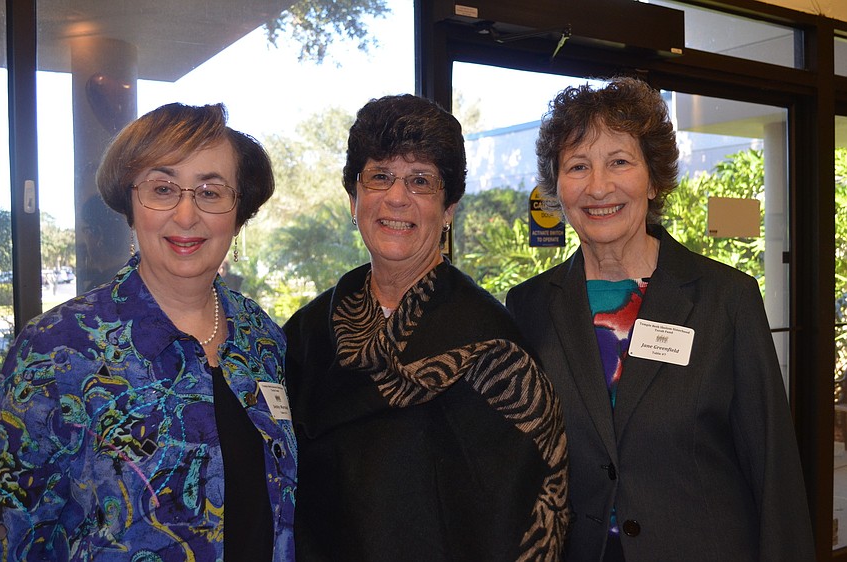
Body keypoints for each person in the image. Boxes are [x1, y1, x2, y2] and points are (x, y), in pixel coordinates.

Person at [506, 77, 815, 562]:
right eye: (578, 166)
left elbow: (773, 469)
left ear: (653, 180)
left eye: (620, 162)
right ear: (557, 188)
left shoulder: (726, 299)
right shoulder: (528, 308)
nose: (598, 186)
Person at [0, 103, 296, 561]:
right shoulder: (56, 348)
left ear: (238, 215)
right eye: (162, 188)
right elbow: (13, 533)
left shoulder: (262, 339)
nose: (186, 214)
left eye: (210, 192)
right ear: (130, 206)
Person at [283, 94, 569, 561]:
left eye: (421, 181)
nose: (397, 197)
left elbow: (532, 511)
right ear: (353, 198)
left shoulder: (492, 348)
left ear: (449, 208)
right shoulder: (307, 338)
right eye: (379, 176)